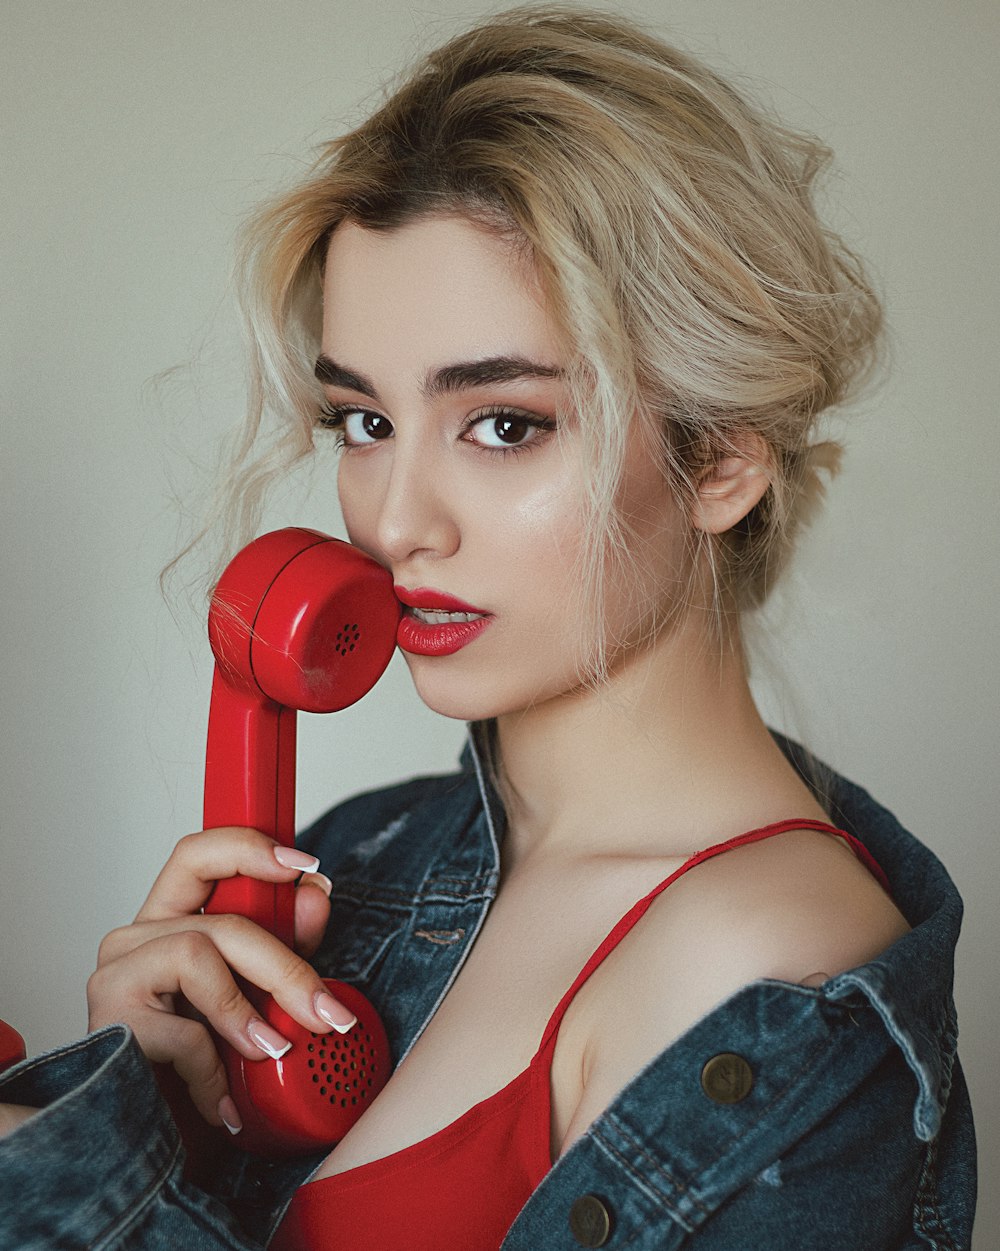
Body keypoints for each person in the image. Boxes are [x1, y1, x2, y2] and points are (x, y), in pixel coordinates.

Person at [0, 7, 976, 1248]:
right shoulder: (367, 856)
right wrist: (169, 1127)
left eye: (504, 423)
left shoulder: (774, 971)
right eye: (363, 422)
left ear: (722, 463)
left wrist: (54, 1186)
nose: (397, 522)